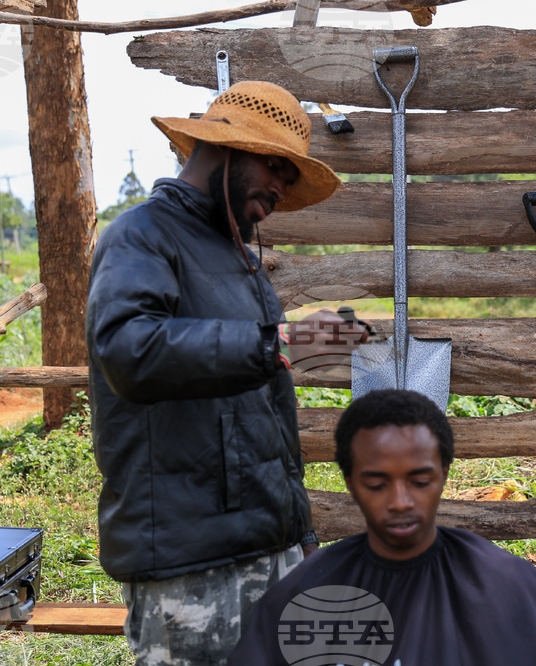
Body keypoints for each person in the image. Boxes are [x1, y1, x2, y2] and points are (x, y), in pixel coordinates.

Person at [85, 80, 369, 665]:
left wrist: (302, 539)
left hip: (268, 553)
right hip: (190, 566)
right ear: (226, 149)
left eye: (290, 177)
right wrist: (275, 344)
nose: (281, 188)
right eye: (275, 167)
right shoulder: (141, 236)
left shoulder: (238, 258)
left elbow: (265, 417)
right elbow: (128, 350)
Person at [229, 389, 536, 665]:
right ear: (350, 482)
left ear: (443, 475)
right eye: (377, 483)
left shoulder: (507, 585)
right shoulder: (309, 595)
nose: (400, 500)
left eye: (419, 481)